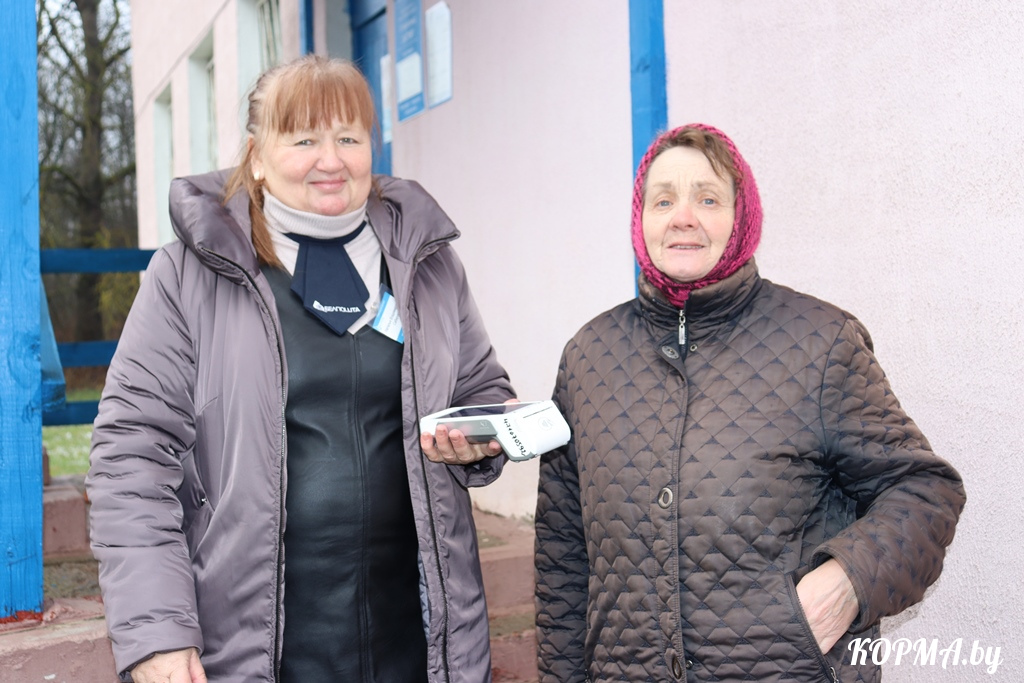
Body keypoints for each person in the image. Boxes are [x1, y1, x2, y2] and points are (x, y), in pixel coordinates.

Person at [87, 55, 514, 683]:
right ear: (257, 157)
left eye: (349, 138)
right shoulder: (186, 275)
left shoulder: (428, 265)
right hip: (259, 652)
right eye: (304, 139)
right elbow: (131, 457)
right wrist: (156, 632)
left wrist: (485, 432)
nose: (331, 160)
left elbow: (480, 387)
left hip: (419, 644)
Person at [534, 123, 966, 682]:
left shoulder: (820, 341)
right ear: (641, 219)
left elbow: (925, 489)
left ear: (743, 217)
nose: (683, 217)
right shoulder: (588, 357)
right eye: (663, 200)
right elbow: (563, 551)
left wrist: (848, 582)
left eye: (708, 199)